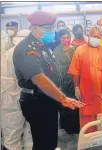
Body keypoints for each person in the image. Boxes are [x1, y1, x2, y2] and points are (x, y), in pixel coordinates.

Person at [12, 11, 84, 150]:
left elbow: (52, 71)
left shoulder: (43, 46)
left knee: (50, 138)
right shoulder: (27, 49)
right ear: (34, 27)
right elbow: (39, 78)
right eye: (48, 28)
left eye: (52, 28)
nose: (51, 32)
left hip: (47, 99)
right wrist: (62, 98)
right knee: (43, 142)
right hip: (37, 101)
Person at [68, 26, 102, 133]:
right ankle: (87, 138)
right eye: (94, 36)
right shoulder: (79, 51)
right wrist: (76, 87)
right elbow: (75, 72)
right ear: (89, 35)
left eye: (99, 37)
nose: (96, 39)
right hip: (86, 90)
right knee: (87, 114)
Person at [1, 29, 33, 150]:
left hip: (12, 102)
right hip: (17, 101)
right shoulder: (31, 54)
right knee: (27, 135)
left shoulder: (7, 55)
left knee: (13, 137)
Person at [53, 29, 80, 135]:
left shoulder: (76, 49)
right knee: (65, 104)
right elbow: (55, 69)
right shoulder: (56, 51)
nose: (66, 40)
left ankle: (76, 127)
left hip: (74, 81)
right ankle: (67, 127)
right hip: (62, 82)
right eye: (64, 38)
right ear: (59, 39)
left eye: (68, 37)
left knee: (75, 103)